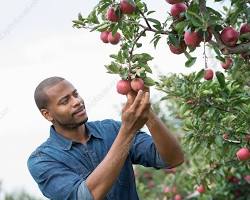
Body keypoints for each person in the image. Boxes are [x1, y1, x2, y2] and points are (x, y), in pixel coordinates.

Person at [27, 76, 184, 200]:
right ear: (47, 114)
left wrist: (143, 107)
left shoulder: (111, 129)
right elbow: (84, 197)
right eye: (65, 101)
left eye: (75, 94)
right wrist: (127, 131)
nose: (77, 102)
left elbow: (173, 158)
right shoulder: (42, 159)